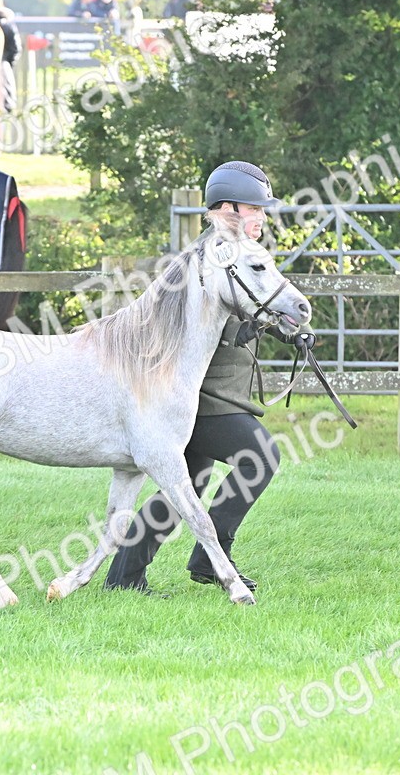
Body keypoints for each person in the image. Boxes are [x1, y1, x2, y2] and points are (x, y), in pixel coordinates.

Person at [104, 161, 314, 596]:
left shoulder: (230, 252)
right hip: (201, 396)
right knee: (261, 456)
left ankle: (123, 578)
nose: (261, 217)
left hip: (213, 394)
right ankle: (209, 557)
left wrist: (282, 327)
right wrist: (259, 326)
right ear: (230, 207)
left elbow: (246, 308)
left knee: (189, 484)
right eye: (256, 208)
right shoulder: (211, 256)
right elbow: (200, 326)